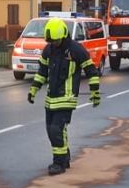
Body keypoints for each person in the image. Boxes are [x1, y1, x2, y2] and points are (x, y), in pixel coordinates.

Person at [28, 18, 101, 175]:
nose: (54, 43)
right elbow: (42, 72)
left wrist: (95, 92)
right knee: (52, 131)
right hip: (51, 98)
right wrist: (34, 89)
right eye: (51, 40)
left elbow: (91, 71)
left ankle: (59, 163)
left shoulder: (76, 50)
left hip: (67, 97)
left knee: (56, 129)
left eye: (56, 40)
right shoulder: (49, 49)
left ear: (63, 35)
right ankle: (64, 156)